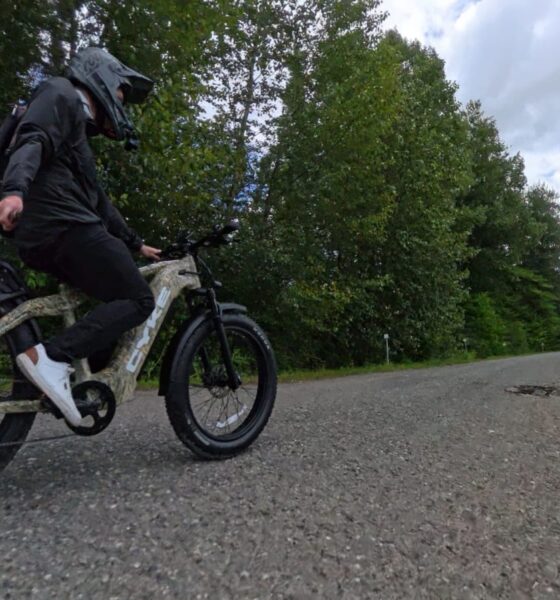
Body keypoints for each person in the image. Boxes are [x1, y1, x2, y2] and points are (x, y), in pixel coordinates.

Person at [0, 47, 161, 426]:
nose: (122, 103)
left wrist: (135, 242)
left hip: (51, 231)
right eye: (122, 93)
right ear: (101, 77)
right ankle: (52, 357)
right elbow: (32, 138)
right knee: (138, 298)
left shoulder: (76, 135)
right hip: (62, 223)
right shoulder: (61, 94)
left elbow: (99, 202)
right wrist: (14, 190)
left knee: (112, 297)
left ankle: (65, 378)